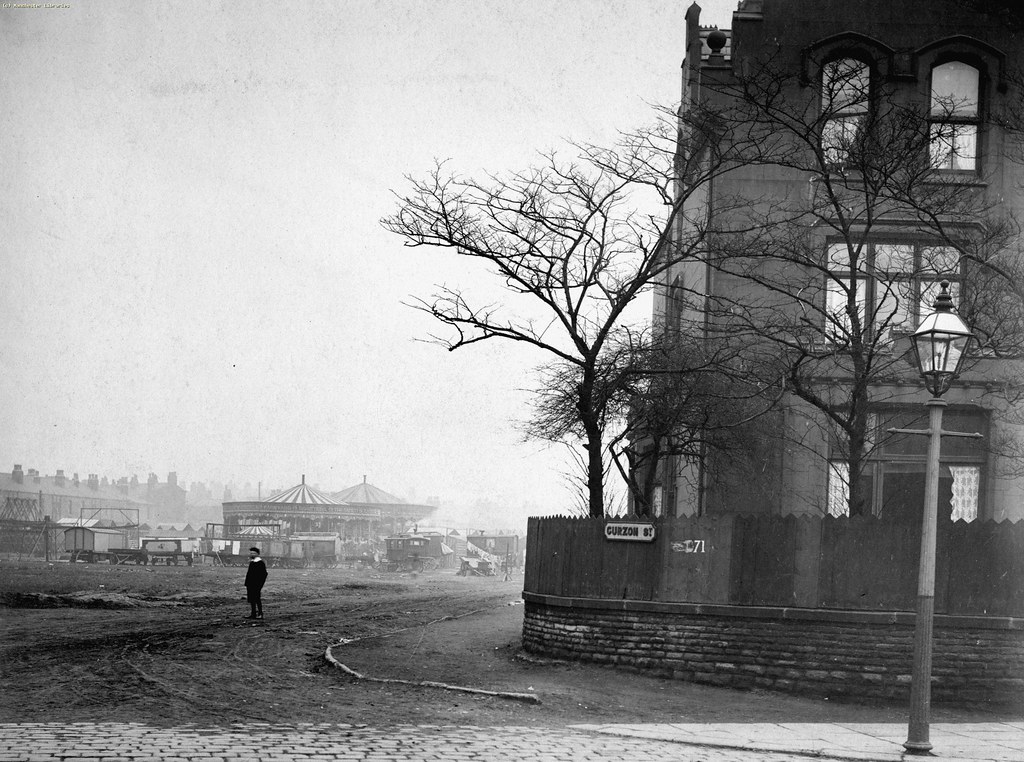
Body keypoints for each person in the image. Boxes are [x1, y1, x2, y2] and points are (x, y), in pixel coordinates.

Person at [244, 546, 267, 620]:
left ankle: (260, 613)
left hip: (256, 585)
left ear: (257, 554)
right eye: (251, 553)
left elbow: (264, 575)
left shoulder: (260, 563)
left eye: (254, 553)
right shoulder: (252, 562)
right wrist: (247, 583)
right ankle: (253, 614)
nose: (252, 554)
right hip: (250, 584)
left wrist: (260, 585)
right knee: (251, 599)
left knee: (257, 599)